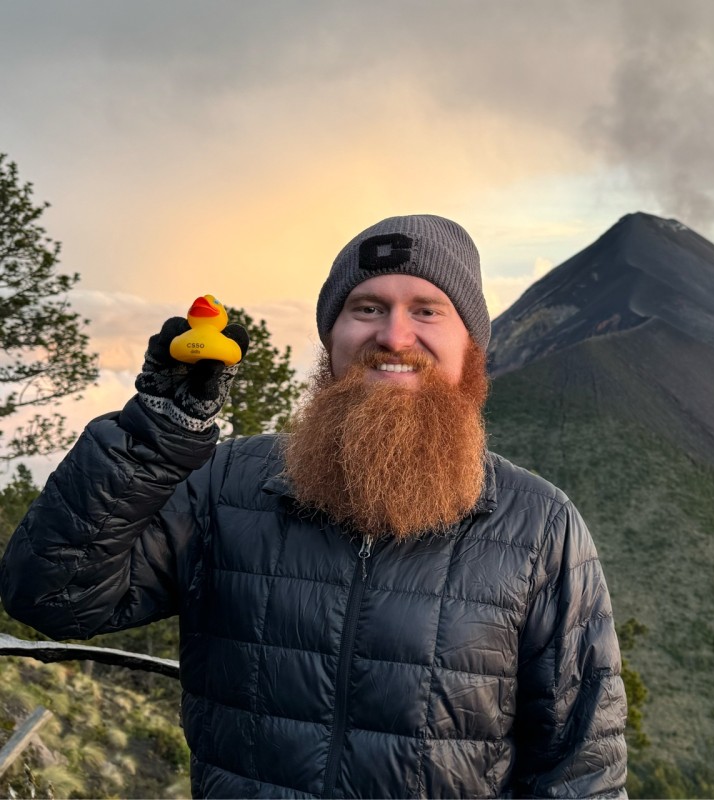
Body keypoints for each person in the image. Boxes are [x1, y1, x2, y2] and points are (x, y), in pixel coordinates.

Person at [0, 214, 628, 799]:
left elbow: (582, 771)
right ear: (332, 338)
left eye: (427, 310)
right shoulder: (227, 484)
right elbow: (53, 596)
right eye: (367, 308)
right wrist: (155, 435)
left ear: (472, 347)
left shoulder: (539, 526)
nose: (393, 335)